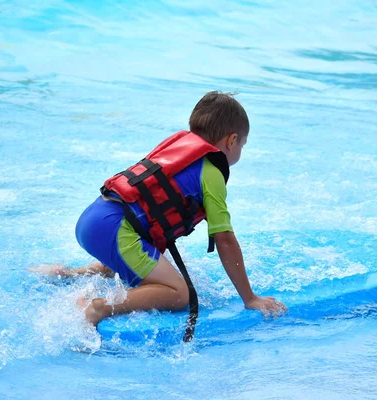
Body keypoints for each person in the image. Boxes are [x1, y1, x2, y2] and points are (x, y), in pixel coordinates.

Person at [33, 91, 287, 327]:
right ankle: (96, 307)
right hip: (115, 229)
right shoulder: (211, 172)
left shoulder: (180, 151)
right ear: (232, 141)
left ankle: (67, 273)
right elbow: (225, 238)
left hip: (96, 217)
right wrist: (250, 298)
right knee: (179, 293)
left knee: (140, 257)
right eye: (243, 144)